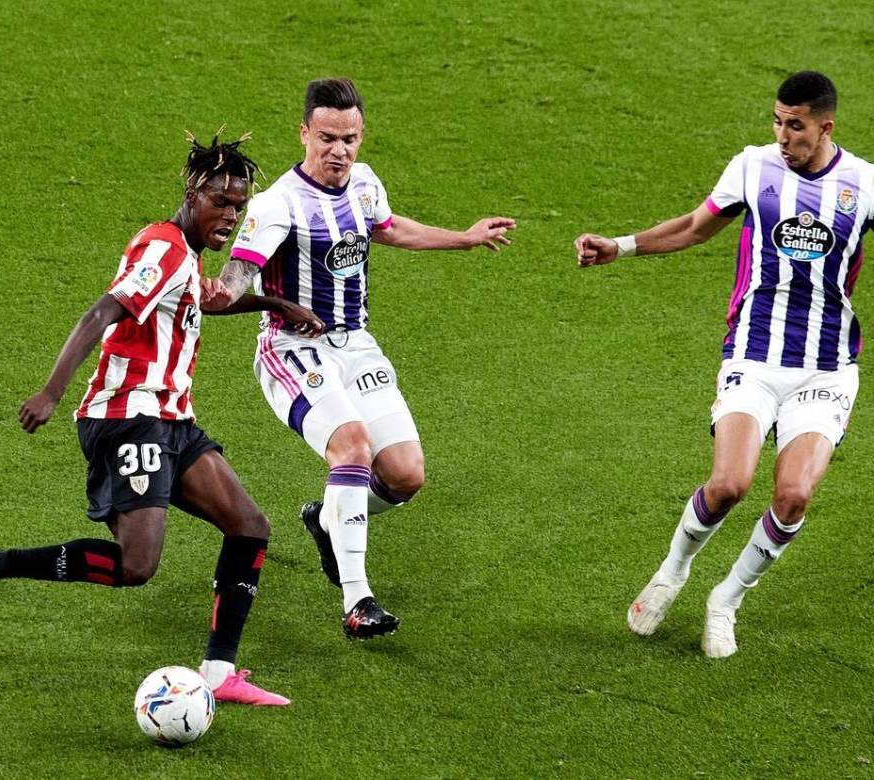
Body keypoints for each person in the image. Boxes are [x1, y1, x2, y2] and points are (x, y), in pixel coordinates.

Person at [0, 131, 325, 704]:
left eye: (238, 205)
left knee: (249, 526)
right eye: (220, 202)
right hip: (129, 416)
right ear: (191, 194)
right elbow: (102, 311)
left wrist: (273, 304)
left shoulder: (184, 254)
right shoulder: (163, 247)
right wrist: (51, 392)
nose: (230, 216)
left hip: (171, 419)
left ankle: (217, 673)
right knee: (136, 565)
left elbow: (197, 299)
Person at [200, 78, 517, 639]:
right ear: (304, 134)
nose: (339, 151)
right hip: (292, 349)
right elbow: (229, 288)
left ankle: (328, 520)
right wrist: (242, 293)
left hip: (357, 345)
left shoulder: (364, 183)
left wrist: (464, 238)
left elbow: (388, 229)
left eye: (349, 139)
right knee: (352, 447)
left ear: (361, 136)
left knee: (405, 475)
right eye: (327, 138)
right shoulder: (278, 206)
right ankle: (357, 600)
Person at [575, 71, 870, 657]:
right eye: (777, 121)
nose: (783, 136)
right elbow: (693, 228)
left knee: (793, 497)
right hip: (753, 355)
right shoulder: (753, 167)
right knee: (730, 484)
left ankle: (726, 600)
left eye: (795, 125)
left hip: (826, 367)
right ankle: (672, 571)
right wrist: (620, 246)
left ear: (825, 127)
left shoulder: (863, 183)